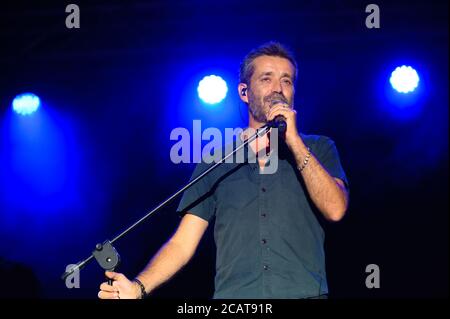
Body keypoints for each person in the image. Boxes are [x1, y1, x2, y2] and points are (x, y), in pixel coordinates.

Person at [98, 42, 349, 299]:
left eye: (287, 81)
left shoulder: (318, 147)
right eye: (266, 78)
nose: (278, 89)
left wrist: (294, 141)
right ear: (244, 92)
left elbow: (336, 209)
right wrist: (138, 288)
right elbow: (182, 243)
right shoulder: (216, 160)